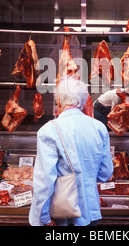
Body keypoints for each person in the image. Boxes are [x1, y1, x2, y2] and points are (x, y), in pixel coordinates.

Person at [29, 76, 114, 226]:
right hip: (90, 213)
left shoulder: (48, 130)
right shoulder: (99, 128)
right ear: (84, 100)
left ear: (59, 100)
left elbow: (45, 181)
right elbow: (105, 174)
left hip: (62, 215)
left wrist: (43, 218)